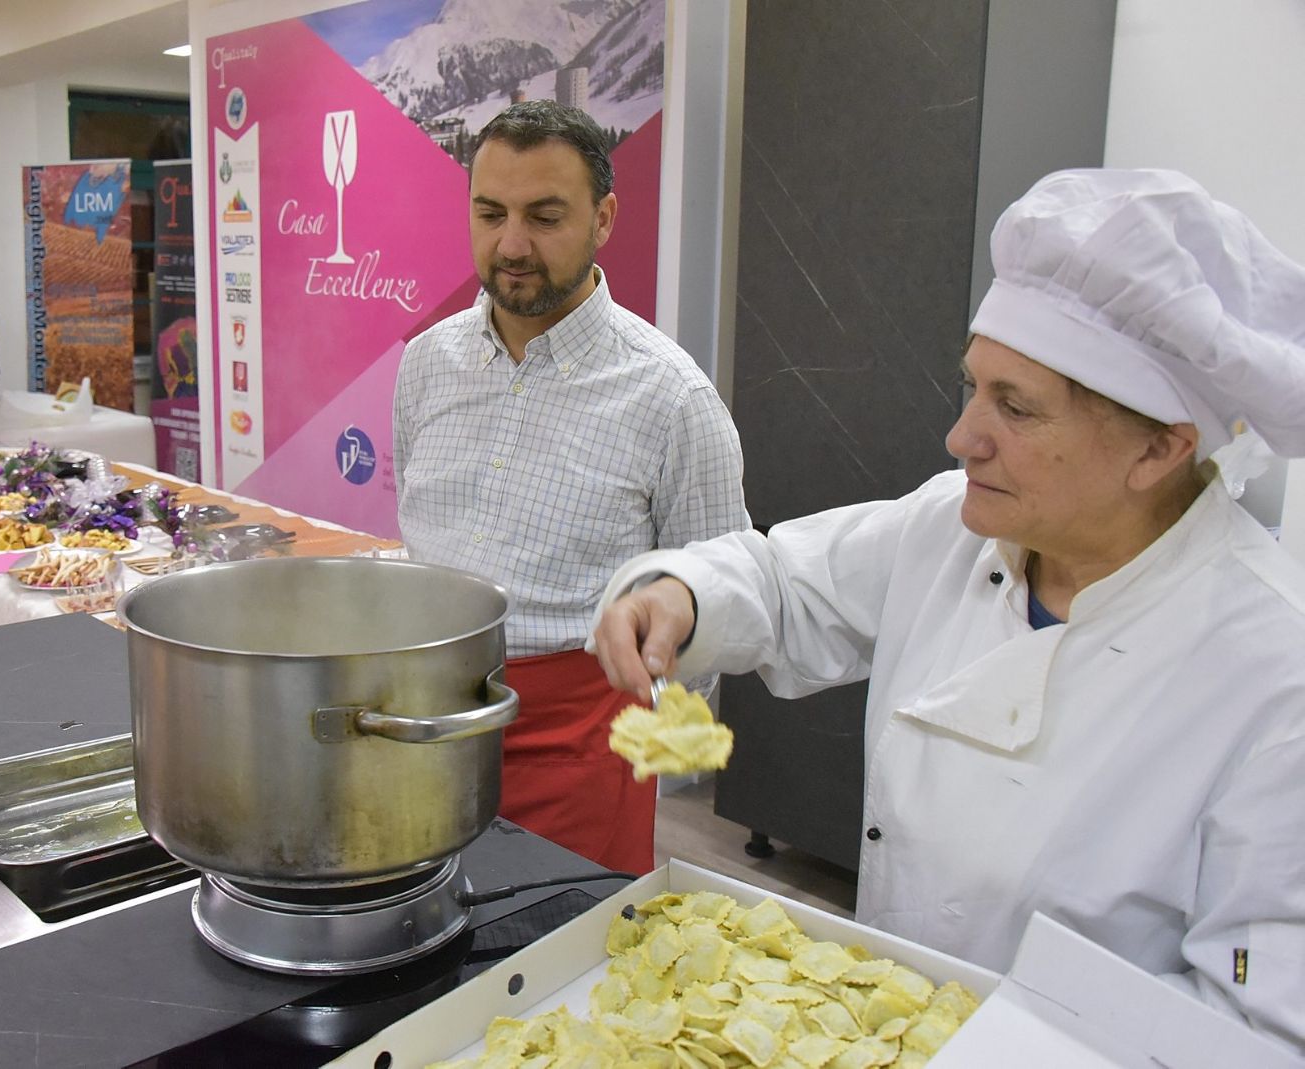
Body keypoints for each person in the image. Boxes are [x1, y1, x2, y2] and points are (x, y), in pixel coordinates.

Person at [590, 169, 1305, 1049]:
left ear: (1159, 449)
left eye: (1016, 408)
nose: (962, 436)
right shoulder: (955, 527)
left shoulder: (1273, 678)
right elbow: (786, 579)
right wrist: (683, 596)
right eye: (974, 387)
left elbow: (1254, 1014)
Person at [393, 100, 749, 874]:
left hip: (577, 745)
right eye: (491, 213)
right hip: (419, 724)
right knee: (416, 934)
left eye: (545, 216)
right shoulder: (425, 364)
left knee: (557, 939)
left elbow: (721, 599)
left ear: (603, 218)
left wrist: (653, 714)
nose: (511, 245)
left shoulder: (671, 400)